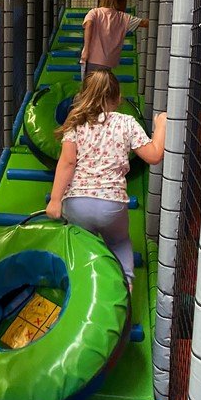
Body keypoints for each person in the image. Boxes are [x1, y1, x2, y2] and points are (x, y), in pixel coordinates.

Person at [45, 71, 166, 291]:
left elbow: (67, 163)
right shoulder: (127, 123)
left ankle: (84, 289)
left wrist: (55, 200)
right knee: (119, 243)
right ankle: (124, 286)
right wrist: (161, 126)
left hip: (77, 203)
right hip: (112, 204)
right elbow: (154, 155)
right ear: (118, 98)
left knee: (82, 247)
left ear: (83, 95)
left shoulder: (76, 123)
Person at [80, 0, 149, 78]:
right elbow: (145, 23)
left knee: (90, 85)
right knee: (104, 85)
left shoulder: (94, 12)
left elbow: (89, 25)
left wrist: (86, 49)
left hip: (91, 59)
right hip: (108, 62)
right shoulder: (123, 17)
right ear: (121, 1)